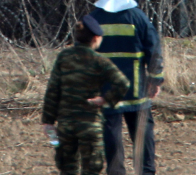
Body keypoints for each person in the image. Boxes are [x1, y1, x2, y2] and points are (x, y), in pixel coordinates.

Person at [89, 0, 165, 175]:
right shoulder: (138, 17)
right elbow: (154, 49)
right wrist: (155, 79)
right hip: (137, 88)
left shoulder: (93, 18)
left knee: (111, 134)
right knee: (142, 134)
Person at [41, 15, 130, 175]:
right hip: (90, 124)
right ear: (96, 38)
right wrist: (105, 99)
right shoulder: (99, 61)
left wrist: (48, 121)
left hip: (66, 124)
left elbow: (53, 90)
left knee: (67, 169)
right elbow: (123, 83)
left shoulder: (64, 57)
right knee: (91, 170)